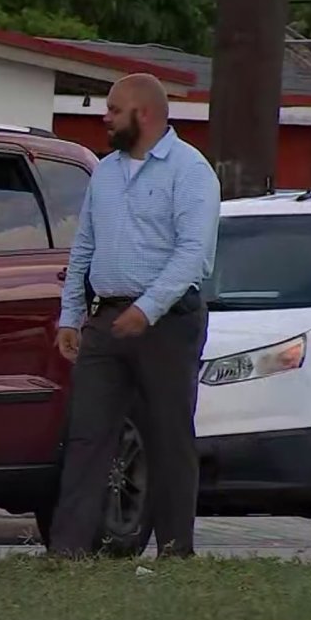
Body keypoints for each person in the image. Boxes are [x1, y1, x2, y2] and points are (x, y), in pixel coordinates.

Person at [48, 73, 222, 559]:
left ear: (143, 115)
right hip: (107, 320)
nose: (104, 117)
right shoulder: (104, 172)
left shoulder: (190, 171)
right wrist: (70, 314)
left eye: (113, 109)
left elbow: (193, 254)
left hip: (167, 321)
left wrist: (147, 310)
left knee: (169, 434)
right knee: (87, 434)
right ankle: (68, 550)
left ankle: (174, 549)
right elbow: (84, 247)